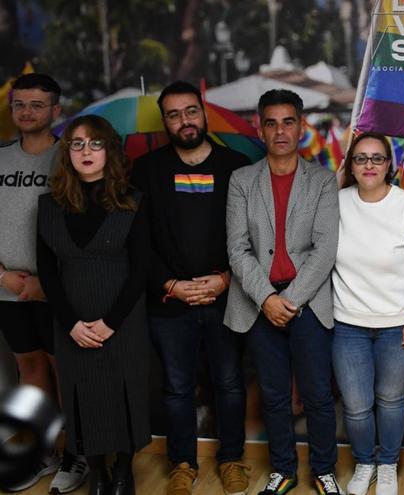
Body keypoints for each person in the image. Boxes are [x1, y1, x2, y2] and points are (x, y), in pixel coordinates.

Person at [131, 81, 251, 495]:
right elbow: (138, 240)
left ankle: (232, 459)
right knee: (177, 387)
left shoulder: (237, 167)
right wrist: (171, 284)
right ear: (165, 120)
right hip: (169, 301)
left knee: (230, 384)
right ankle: (182, 463)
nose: (184, 121)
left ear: (204, 113)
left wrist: (226, 280)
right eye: (174, 114)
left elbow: (253, 237)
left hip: (227, 298)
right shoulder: (145, 171)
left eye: (191, 112)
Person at [224, 89, 341, 495]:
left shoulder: (324, 180)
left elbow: (325, 249)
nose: (280, 130)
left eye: (288, 121)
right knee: (273, 396)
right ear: (261, 128)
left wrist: (289, 300)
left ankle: (324, 469)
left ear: (301, 126)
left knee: (318, 395)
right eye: (271, 123)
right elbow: (237, 248)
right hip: (259, 304)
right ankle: (284, 469)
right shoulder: (241, 180)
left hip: (307, 303)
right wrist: (267, 299)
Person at [36, 114, 151, 495]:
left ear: (110, 150)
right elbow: (47, 272)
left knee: (123, 392)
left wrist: (110, 323)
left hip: (121, 317)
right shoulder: (49, 205)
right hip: (71, 319)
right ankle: (97, 472)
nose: (87, 151)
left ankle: (123, 471)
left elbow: (141, 270)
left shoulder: (131, 201)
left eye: (95, 144)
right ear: (67, 152)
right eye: (78, 144)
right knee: (83, 396)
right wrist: (71, 324)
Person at [332, 132, 404, 495]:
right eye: (360, 158)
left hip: (398, 325)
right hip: (347, 323)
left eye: (376, 158)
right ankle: (365, 463)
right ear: (350, 164)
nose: (368, 165)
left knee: (391, 399)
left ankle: (388, 464)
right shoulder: (335, 203)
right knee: (357, 405)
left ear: (389, 165)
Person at [0, 73, 91, 493]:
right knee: (29, 368)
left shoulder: (69, 159)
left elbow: (85, 231)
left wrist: (46, 282)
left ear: (56, 111)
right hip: (7, 286)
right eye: (20, 104)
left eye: (38, 105)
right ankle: (41, 452)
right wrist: (2, 276)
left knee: (66, 370)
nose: (27, 112)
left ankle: (78, 454)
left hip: (57, 288)